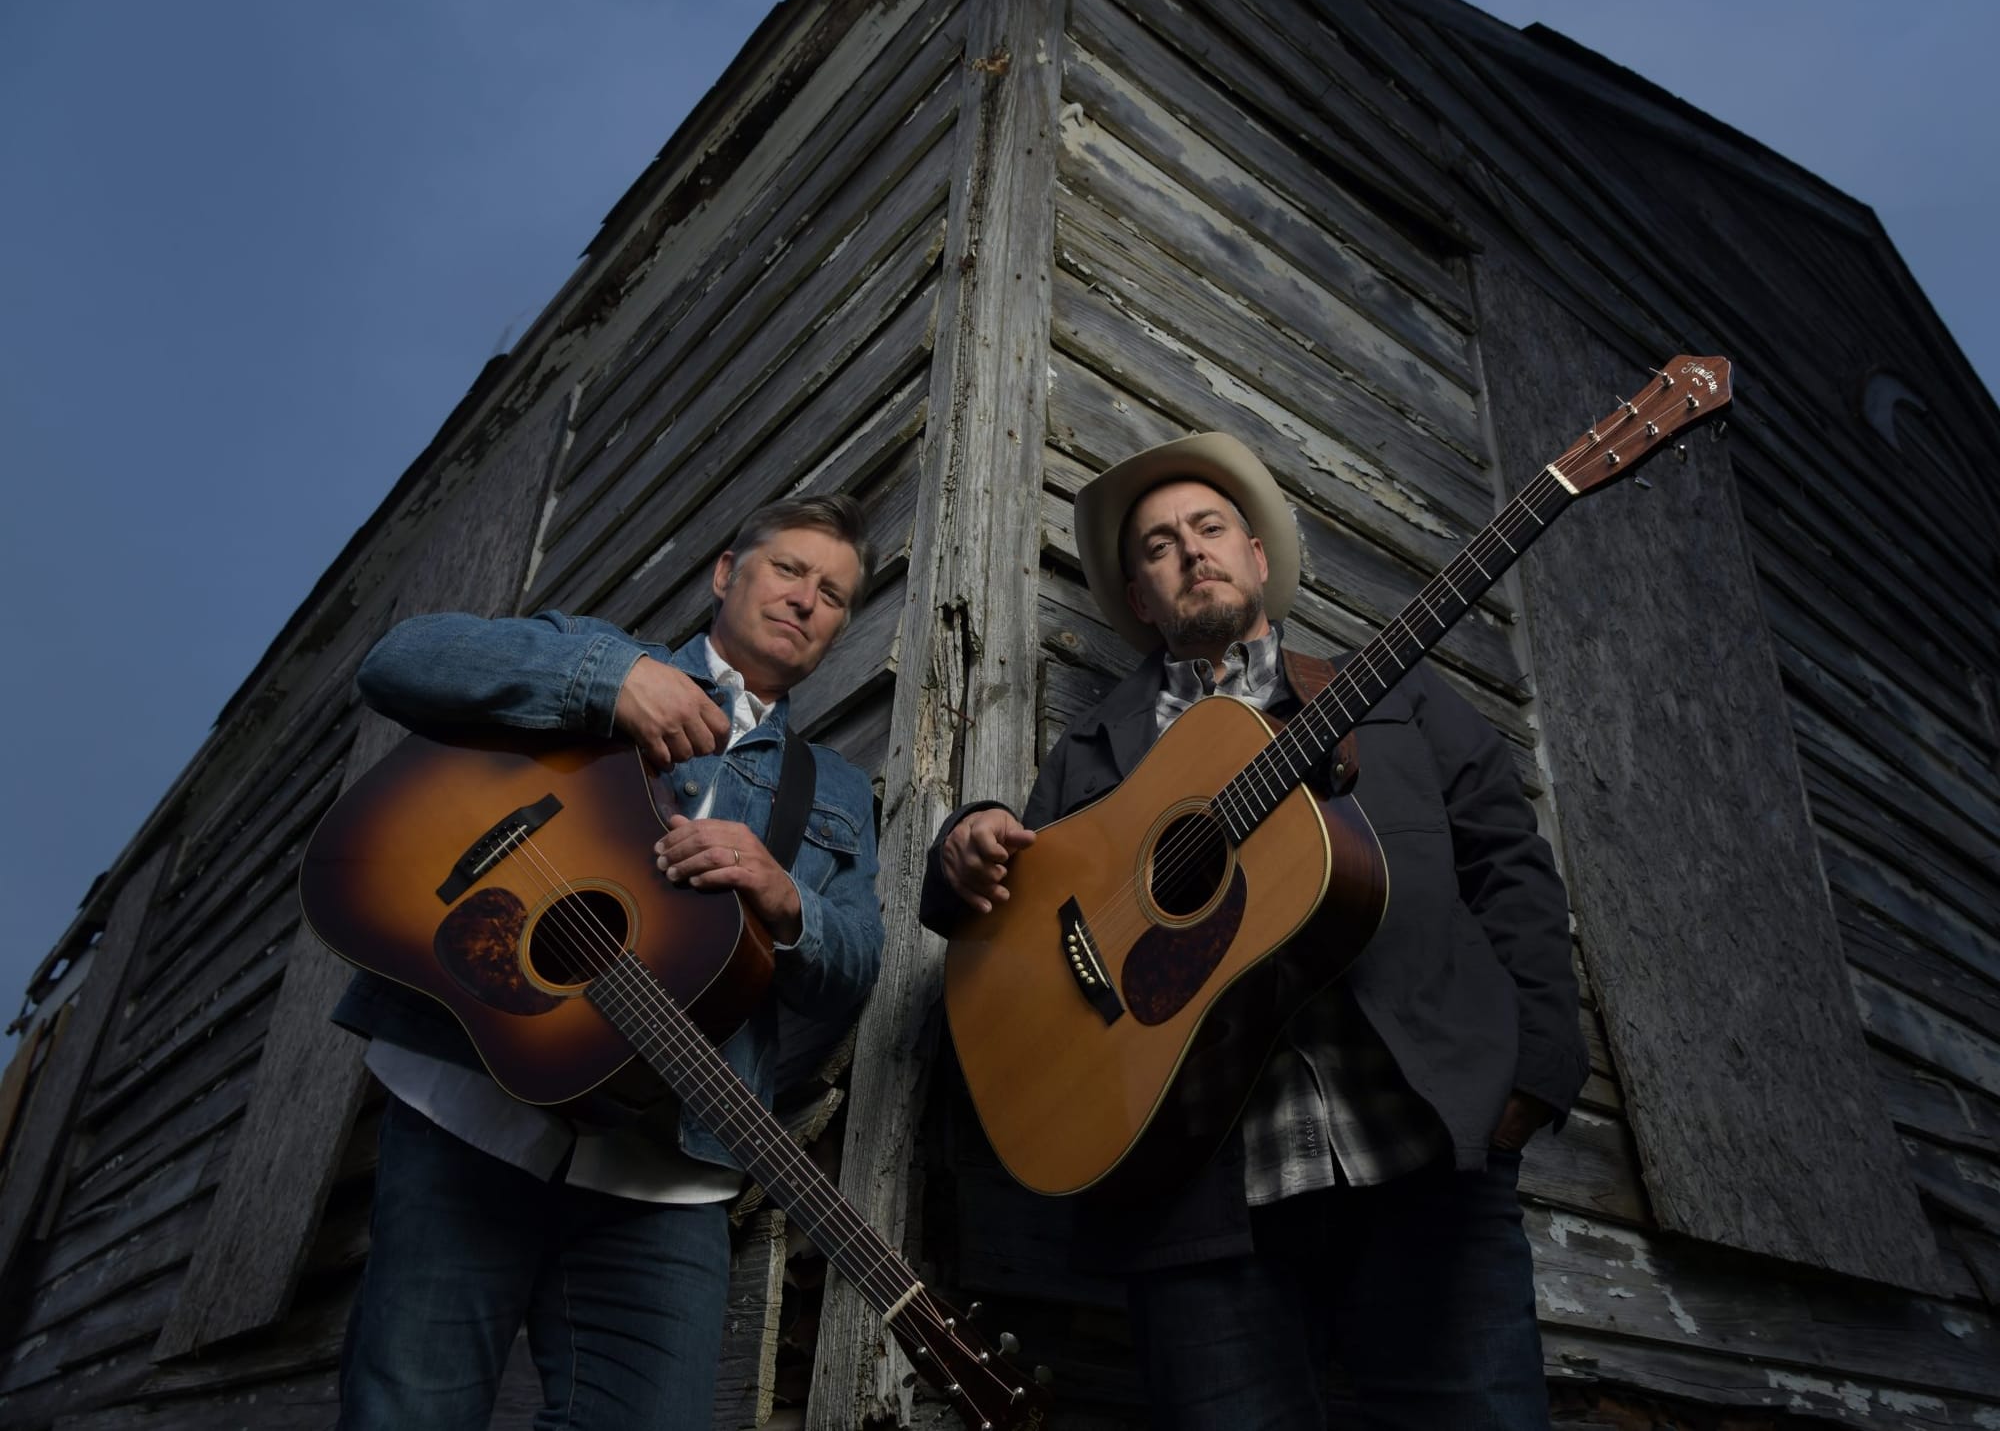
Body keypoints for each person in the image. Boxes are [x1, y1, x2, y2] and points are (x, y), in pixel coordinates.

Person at [921, 436, 1587, 1429]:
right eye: (1156, 545)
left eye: (1208, 528)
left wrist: (1532, 1074)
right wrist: (958, 849)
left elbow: (1510, 868)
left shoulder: (1393, 694)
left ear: (1256, 557)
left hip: (1419, 1162)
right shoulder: (1092, 751)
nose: (1190, 552)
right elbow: (1023, 933)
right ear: (1140, 598)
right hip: (1191, 1210)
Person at [332, 493, 885, 1430]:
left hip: (666, 1165)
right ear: (725, 573)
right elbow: (398, 663)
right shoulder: (598, 655)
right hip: (475, 1099)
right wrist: (604, 678)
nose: (805, 600)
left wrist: (788, 903)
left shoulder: (833, 793)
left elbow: (858, 966)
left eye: (832, 594)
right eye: (788, 569)